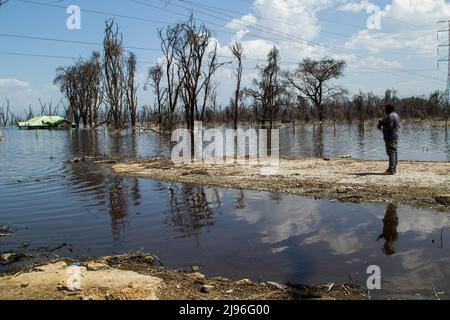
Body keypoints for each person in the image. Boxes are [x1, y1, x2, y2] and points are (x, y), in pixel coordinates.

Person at [378, 104, 401, 175]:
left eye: (386, 109)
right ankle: (393, 168)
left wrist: (382, 123)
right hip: (394, 136)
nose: (385, 111)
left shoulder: (390, 116)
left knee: (391, 152)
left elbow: (390, 126)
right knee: (394, 152)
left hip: (390, 137)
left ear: (389, 109)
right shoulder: (396, 115)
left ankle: (391, 169)